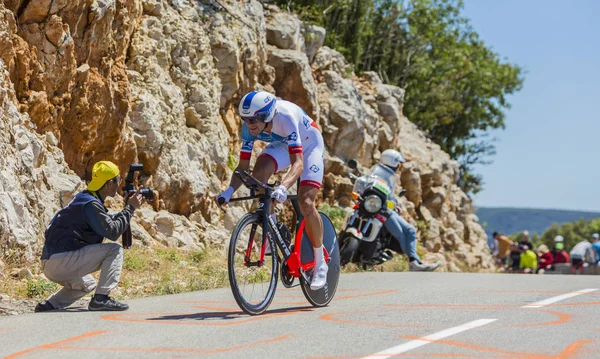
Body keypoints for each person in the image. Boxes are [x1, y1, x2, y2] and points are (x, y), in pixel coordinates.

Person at [216, 91, 329, 290]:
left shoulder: (284, 117)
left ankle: (320, 264)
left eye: (255, 119)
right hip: (282, 144)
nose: (250, 124)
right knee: (258, 178)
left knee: (306, 202)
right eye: (246, 119)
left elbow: (298, 163)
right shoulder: (248, 128)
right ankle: (273, 230)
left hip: (309, 144)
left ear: (268, 115)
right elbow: (243, 168)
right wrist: (229, 191)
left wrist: (284, 187)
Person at [35, 161, 145, 312]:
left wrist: (127, 208)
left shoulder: (85, 198)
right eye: (117, 180)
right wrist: (130, 207)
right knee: (115, 250)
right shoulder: (91, 205)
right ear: (109, 183)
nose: (119, 184)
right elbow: (112, 232)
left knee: (87, 285)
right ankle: (101, 299)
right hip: (61, 261)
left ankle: (50, 305)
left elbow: (107, 223)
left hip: (51, 263)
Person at [375, 150, 439, 271]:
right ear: (394, 162)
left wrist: (394, 204)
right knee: (401, 234)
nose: (400, 166)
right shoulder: (378, 173)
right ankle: (414, 262)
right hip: (380, 209)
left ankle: (415, 261)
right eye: (399, 163)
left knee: (410, 230)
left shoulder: (389, 176)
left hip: (386, 210)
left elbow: (389, 197)